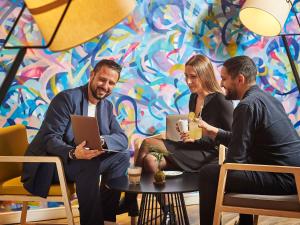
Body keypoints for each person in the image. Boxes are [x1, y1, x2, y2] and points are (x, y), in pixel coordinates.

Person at [21, 59, 130, 225]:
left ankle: (108, 218)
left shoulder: (106, 106)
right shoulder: (66, 99)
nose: (105, 86)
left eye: (111, 83)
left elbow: (122, 139)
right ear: (92, 75)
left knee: (121, 157)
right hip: (52, 163)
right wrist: (74, 153)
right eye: (102, 79)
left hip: (80, 164)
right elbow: (50, 138)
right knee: (88, 163)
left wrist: (101, 141)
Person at [198, 55, 300, 225]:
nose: (221, 84)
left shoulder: (246, 106)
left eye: (224, 79)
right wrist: (215, 132)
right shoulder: (269, 99)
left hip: (283, 179)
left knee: (209, 174)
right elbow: (245, 139)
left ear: (240, 79)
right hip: (294, 174)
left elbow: (235, 161)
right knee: (238, 168)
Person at [135, 54, 234, 173]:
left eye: (193, 77)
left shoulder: (221, 100)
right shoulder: (193, 98)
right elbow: (196, 131)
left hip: (209, 155)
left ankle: (132, 188)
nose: (188, 81)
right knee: (150, 160)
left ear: (205, 76)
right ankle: (163, 192)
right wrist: (186, 131)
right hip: (193, 148)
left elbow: (232, 138)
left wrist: (202, 135)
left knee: (147, 142)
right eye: (186, 76)